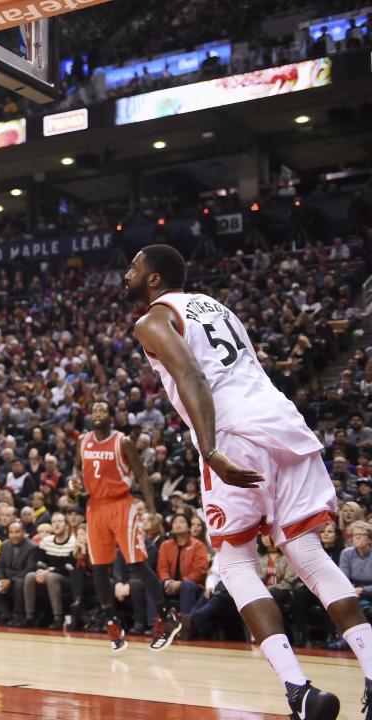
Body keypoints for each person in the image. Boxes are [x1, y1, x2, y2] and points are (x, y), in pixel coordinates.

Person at [125, 243, 372, 720]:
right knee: (307, 554)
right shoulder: (217, 307)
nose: (126, 273)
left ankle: (298, 690)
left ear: (154, 279)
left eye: (134, 266)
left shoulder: (151, 319)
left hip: (233, 431)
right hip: (285, 423)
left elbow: (194, 376)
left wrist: (210, 447)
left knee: (236, 562)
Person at [70, 401, 180, 652]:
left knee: (136, 563)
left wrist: (152, 511)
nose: (98, 413)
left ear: (111, 417)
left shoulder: (123, 442)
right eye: (94, 409)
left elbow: (141, 474)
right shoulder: (83, 441)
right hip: (95, 507)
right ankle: (111, 621)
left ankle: (167, 616)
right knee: (98, 567)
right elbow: (77, 466)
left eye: (103, 410)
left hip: (122, 505)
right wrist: (74, 480)